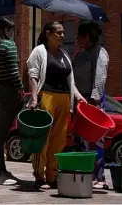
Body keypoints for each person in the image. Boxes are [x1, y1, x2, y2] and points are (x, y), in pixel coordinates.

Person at [26, 21, 86, 190]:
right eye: (58, 32)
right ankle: (39, 175)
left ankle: (51, 175)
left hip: (64, 98)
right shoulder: (39, 51)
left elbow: (70, 81)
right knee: (43, 138)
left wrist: (79, 97)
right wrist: (34, 97)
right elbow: (33, 75)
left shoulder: (64, 55)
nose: (62, 35)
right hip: (47, 96)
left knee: (58, 140)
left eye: (63, 33)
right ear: (48, 34)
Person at [0, 18, 24, 185]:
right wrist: (21, 89)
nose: (13, 34)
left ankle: (2, 170)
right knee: (1, 135)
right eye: (11, 30)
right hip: (8, 93)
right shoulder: (9, 46)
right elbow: (14, 72)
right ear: (7, 30)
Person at [73, 21, 109, 189]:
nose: (76, 39)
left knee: (95, 140)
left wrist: (94, 99)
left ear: (86, 36)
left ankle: (99, 177)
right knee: (82, 141)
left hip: (93, 100)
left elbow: (100, 77)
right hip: (80, 102)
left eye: (79, 36)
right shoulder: (79, 55)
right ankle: (87, 173)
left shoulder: (99, 52)